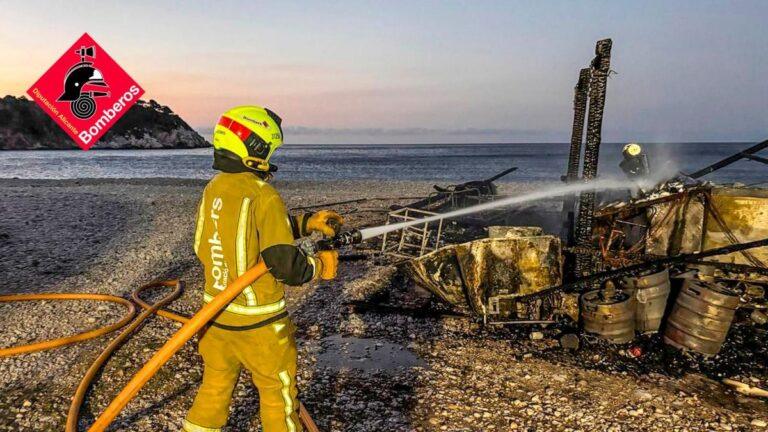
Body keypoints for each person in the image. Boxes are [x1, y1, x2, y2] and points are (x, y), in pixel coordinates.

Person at [183, 105, 342, 432]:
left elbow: (210, 242)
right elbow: (285, 265)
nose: (270, 155)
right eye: (269, 148)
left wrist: (304, 223)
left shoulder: (215, 188)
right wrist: (318, 264)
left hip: (214, 319)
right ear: (255, 148)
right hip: (261, 327)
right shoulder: (263, 194)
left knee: (214, 388)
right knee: (276, 392)